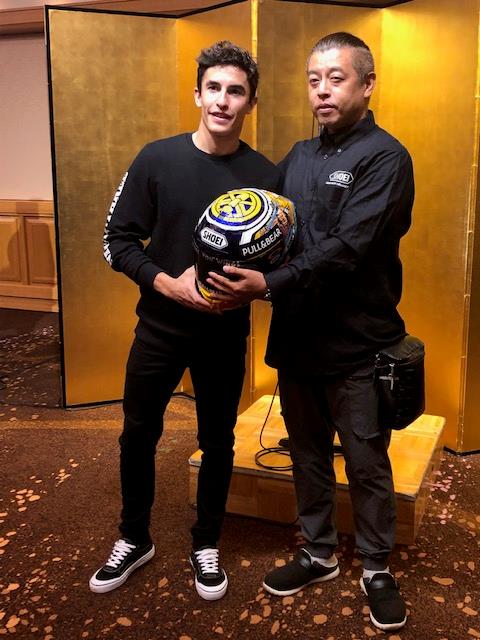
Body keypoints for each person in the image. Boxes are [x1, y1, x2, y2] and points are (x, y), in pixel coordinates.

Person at [208, 32, 414, 631]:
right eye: (313, 79)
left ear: (367, 85)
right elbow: (270, 228)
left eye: (336, 78)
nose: (322, 90)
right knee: (305, 454)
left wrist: (267, 284)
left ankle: (376, 567)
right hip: (298, 340)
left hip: (358, 343)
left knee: (366, 462)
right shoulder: (297, 157)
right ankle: (319, 552)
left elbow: (349, 248)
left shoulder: (386, 157)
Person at [89, 40, 281, 601]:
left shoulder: (266, 176)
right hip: (159, 329)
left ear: (250, 103)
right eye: (213, 88)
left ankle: (206, 542)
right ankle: (134, 537)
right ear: (197, 94)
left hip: (224, 335)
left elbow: (280, 262)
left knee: (218, 441)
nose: (222, 100)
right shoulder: (156, 159)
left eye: (235, 91)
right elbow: (116, 241)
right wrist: (165, 282)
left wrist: (255, 289)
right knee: (138, 434)